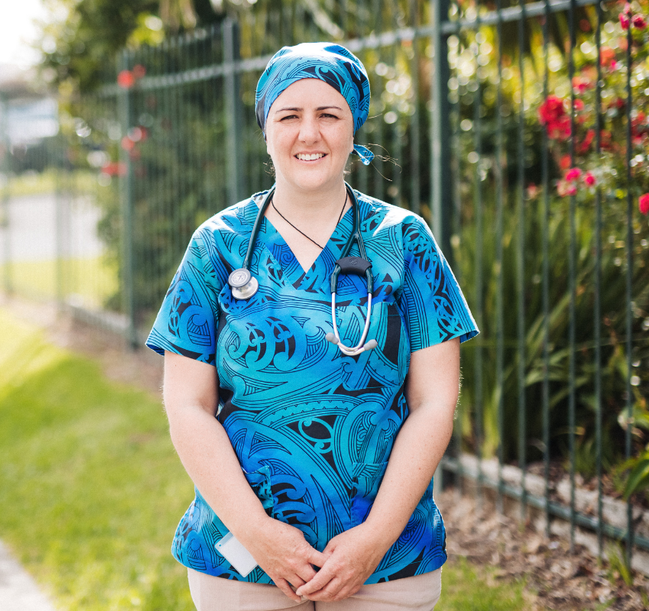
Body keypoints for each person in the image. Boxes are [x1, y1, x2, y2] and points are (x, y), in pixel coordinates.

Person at [146, 42, 479, 610]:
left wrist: (373, 541)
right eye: (289, 115)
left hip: (389, 560)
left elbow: (434, 401)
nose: (309, 133)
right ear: (266, 127)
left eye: (329, 114)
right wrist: (259, 534)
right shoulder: (218, 246)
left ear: (354, 128)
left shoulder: (404, 240)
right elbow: (186, 406)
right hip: (243, 560)